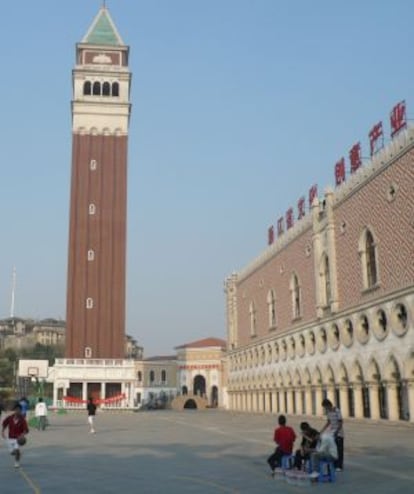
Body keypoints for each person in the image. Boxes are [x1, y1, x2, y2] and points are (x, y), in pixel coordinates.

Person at [2, 403, 29, 468]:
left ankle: (16, 463)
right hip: (10, 438)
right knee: (12, 453)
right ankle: (18, 454)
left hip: (17, 438)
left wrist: (22, 435)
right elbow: (4, 424)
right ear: (14, 410)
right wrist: (2, 431)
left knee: (16, 450)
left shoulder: (22, 420)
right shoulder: (10, 418)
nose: (18, 411)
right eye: (16, 410)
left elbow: (26, 430)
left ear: (21, 411)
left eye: (19, 410)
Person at [320, 398, 344, 471]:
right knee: (333, 449)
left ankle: (339, 466)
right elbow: (328, 422)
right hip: (332, 432)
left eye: (325, 407)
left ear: (328, 405)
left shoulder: (337, 410)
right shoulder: (328, 412)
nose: (325, 408)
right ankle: (334, 464)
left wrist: (337, 432)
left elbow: (340, 422)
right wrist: (321, 431)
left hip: (339, 433)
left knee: (339, 450)